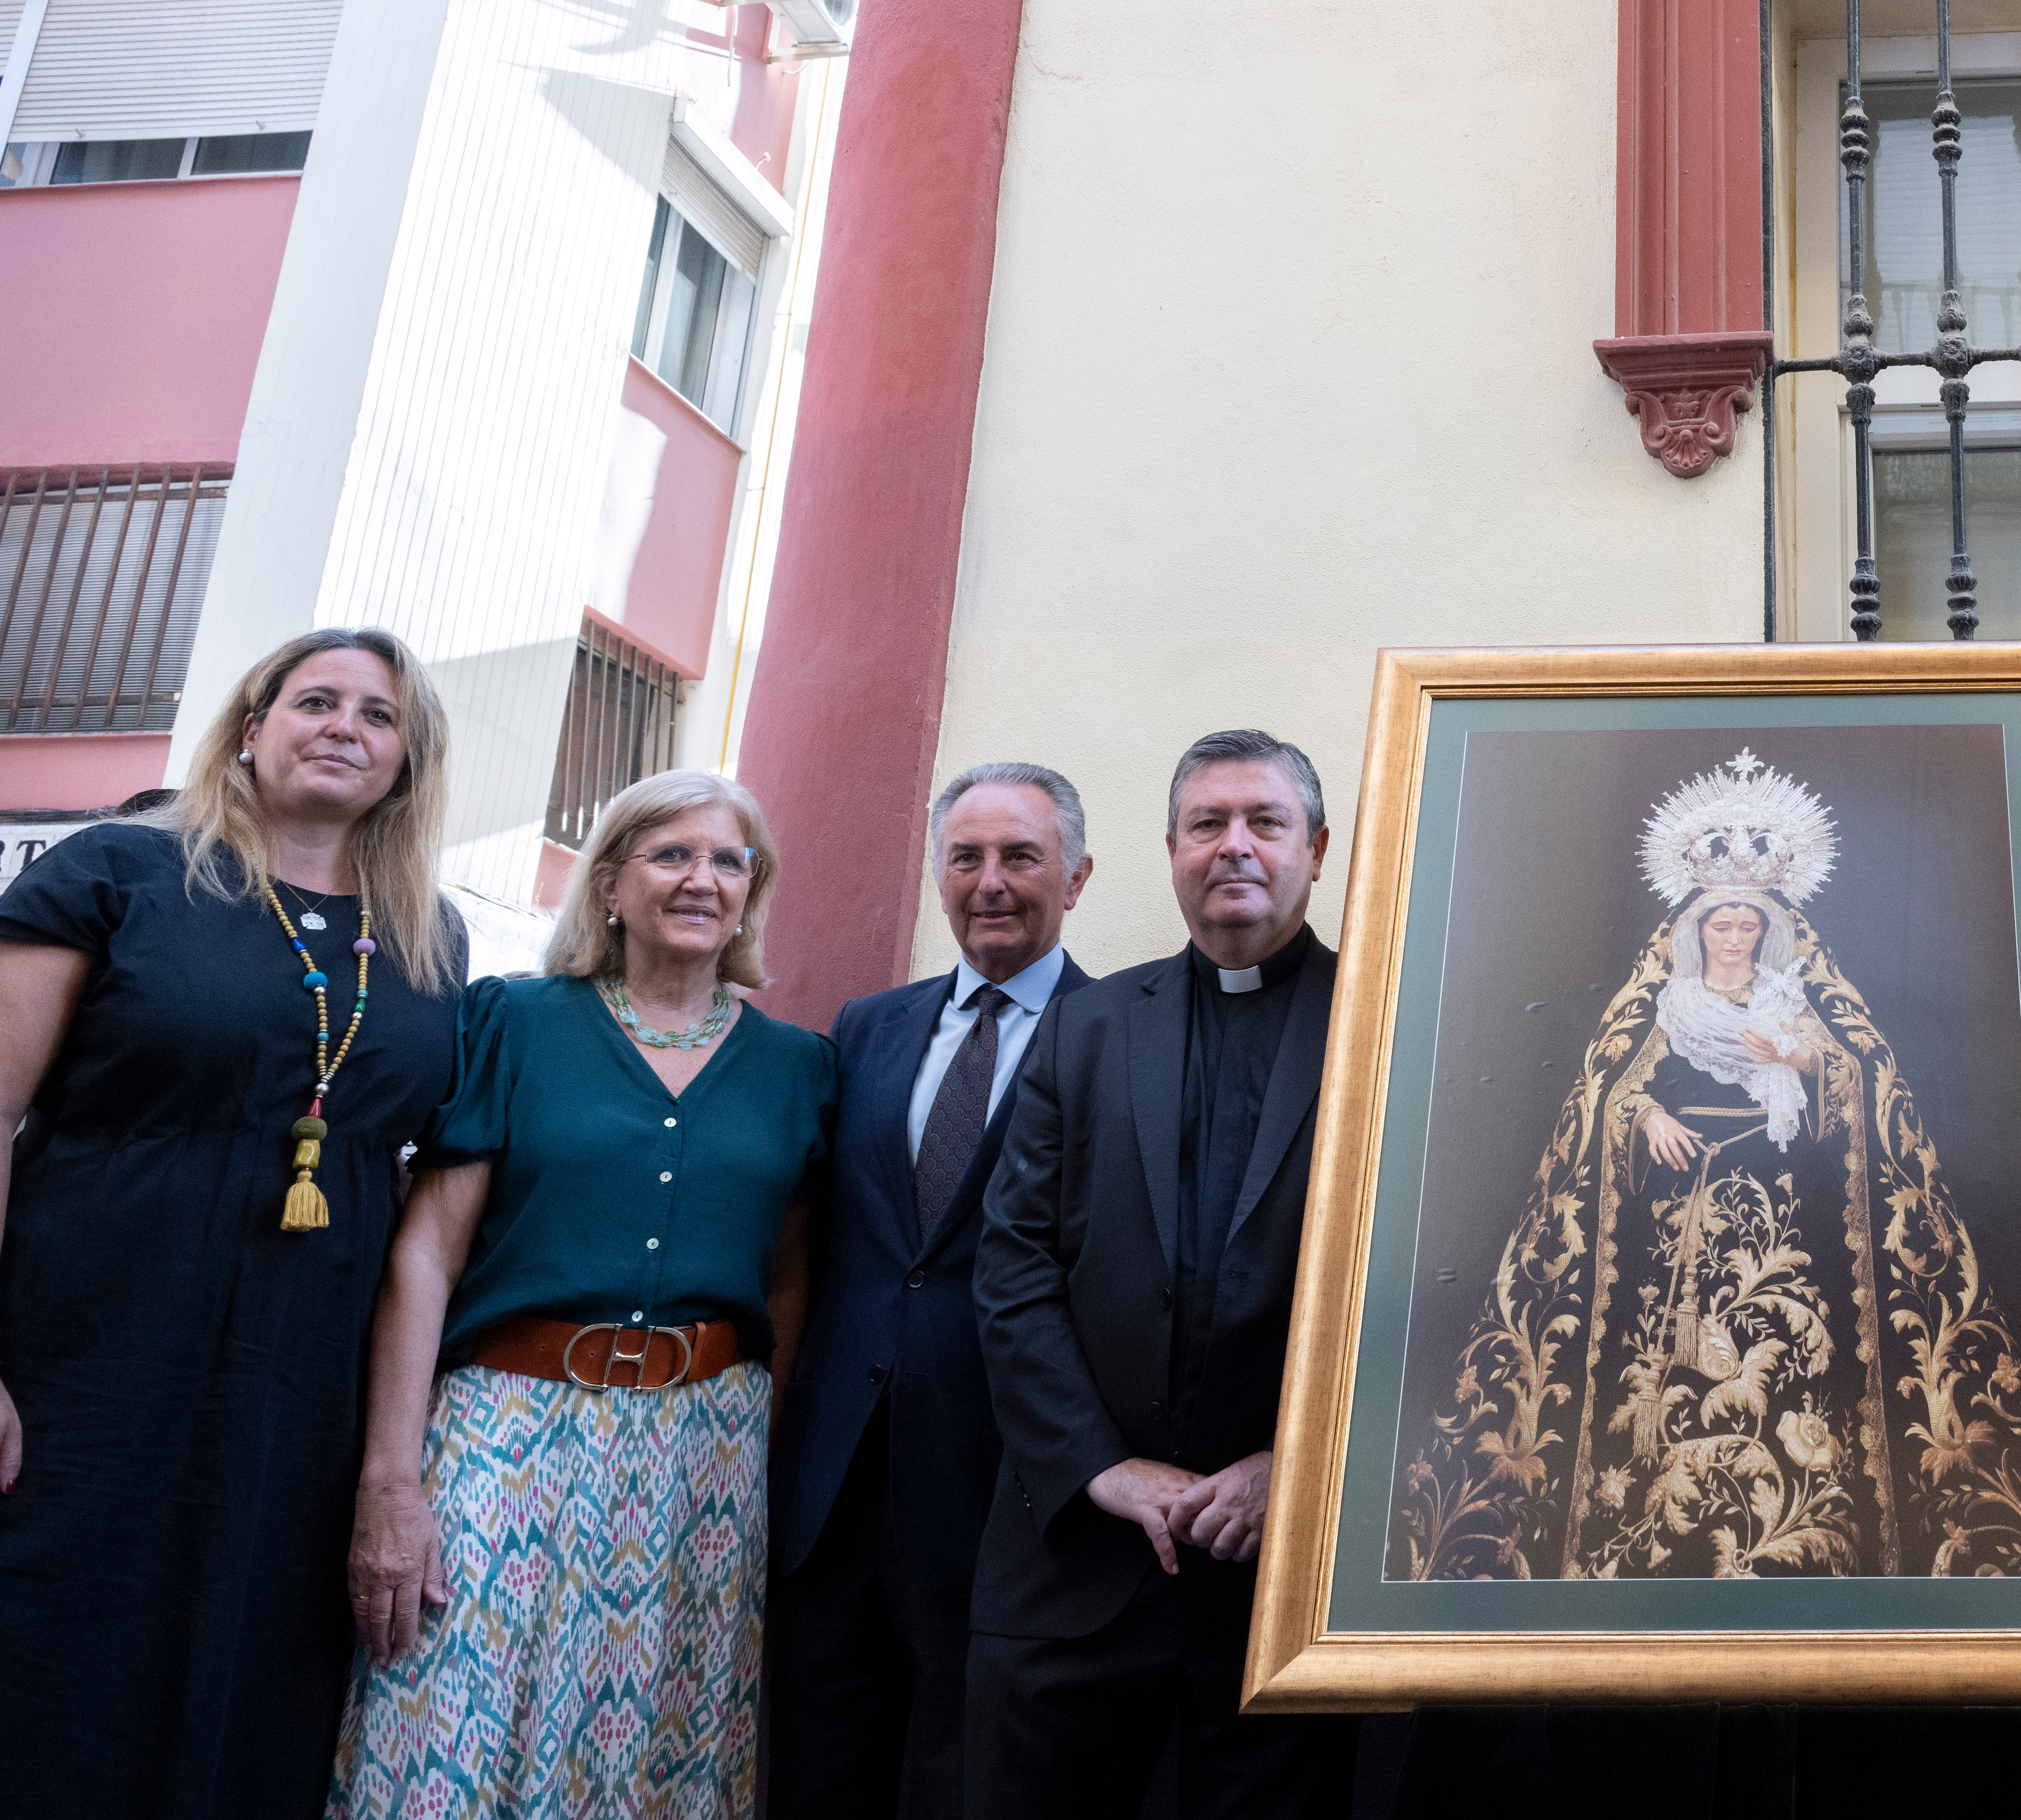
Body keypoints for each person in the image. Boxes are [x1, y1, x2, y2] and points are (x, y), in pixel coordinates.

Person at [0, 628, 468, 1820]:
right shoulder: (118, 871)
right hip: (84, 1358)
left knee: (242, 1683)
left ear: (408, 762)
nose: (344, 730)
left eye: (379, 716)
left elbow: (426, 1194)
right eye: (315, 701)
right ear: (251, 726)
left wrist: (390, 1467)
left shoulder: (430, 934)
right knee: (50, 1659)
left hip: (296, 1391)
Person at [1397, 749, 2021, 1582]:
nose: (1735, 938)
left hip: (1791, 1228)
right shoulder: (1663, 1004)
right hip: (1669, 1230)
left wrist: (1804, 1060)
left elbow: (1868, 1085)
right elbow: (1601, 1096)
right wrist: (1646, 1115)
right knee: (1660, 1389)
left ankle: (1814, 1536)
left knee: (1790, 1374)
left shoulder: (1798, 1004)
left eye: (1748, 926)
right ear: (1695, 929)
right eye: (1720, 925)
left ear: (1768, 930)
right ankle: (1646, 1538)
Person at [330, 770, 838, 1819]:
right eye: (671, 854)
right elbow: (426, 1254)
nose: (702, 878)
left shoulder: (802, 1067)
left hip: (704, 1455)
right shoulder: (515, 1020)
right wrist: (392, 1477)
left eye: (728, 860)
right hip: (503, 1432)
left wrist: (755, 1445)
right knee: (438, 1723)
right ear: (609, 883)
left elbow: (789, 1277)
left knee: (645, 1752)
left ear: (753, 890)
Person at [969, 729, 1359, 1819]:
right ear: (1174, 849)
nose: (1234, 846)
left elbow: (1436, 1288)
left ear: (1317, 849)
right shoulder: (1087, 1025)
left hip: (1288, 1578)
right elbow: (1013, 1267)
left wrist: (1302, 1464)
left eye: (1265, 823)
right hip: (1073, 1561)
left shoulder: (1385, 1020)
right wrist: (1104, 1466)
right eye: (1207, 823)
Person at [773, 763, 1098, 1820]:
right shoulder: (865, 1027)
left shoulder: (1121, 1037)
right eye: (966, 857)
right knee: (816, 1766)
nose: (991, 881)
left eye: (1020, 857)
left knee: (961, 1781)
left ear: (1078, 876)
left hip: (1003, 1485)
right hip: (836, 1481)